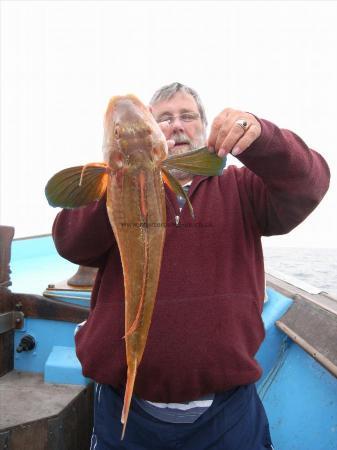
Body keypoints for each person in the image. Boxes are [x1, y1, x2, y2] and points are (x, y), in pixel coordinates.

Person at [52, 82, 330, 450]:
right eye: (164, 118)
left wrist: (262, 138)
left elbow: (309, 183)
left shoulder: (242, 189)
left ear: (206, 126)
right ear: (152, 132)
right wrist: (114, 179)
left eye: (188, 116)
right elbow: (69, 242)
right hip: (128, 407)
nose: (176, 126)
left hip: (227, 412)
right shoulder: (110, 187)